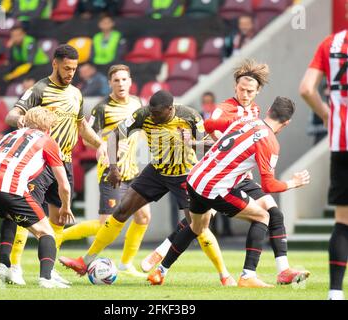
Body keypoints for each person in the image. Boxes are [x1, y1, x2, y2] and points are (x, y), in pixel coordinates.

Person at [144, 59, 310, 285]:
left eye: (250, 90)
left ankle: (160, 269)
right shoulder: (227, 111)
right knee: (261, 215)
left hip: (205, 177)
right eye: (241, 89)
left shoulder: (252, 114)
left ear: (260, 95)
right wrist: (294, 182)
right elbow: (208, 128)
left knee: (201, 224)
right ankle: (248, 275)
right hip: (219, 180)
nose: (245, 94)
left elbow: (226, 134)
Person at [59, 90, 236, 287]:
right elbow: (114, 137)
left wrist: (192, 141)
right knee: (121, 210)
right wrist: (114, 168)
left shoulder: (190, 116)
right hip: (157, 171)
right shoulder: (143, 115)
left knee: (197, 226)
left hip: (185, 174)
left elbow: (210, 146)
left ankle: (224, 275)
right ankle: (85, 262)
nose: (153, 116)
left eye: (158, 113)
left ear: (170, 109)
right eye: (151, 112)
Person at [4, 44, 107, 286]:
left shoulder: (76, 93)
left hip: (64, 160)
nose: (71, 73)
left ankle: (49, 270)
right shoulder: (39, 89)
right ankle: (15, 267)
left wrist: (100, 143)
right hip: (39, 160)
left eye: (74, 68)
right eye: (66, 68)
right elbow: (11, 115)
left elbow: (82, 127)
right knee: (26, 214)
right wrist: (22, 120)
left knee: (59, 218)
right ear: (55, 64)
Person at [61, 64, 151, 277]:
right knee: (106, 224)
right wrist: (104, 146)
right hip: (111, 171)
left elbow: (144, 130)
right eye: (116, 80)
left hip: (133, 171)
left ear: (130, 82)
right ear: (110, 83)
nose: (120, 84)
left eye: (124, 79)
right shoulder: (101, 108)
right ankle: (58, 237)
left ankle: (126, 263)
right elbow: (87, 138)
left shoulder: (138, 103)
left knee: (143, 217)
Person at [0, 107, 75, 288]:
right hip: (10, 190)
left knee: (10, 217)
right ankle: (46, 279)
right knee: (46, 233)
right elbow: (64, 185)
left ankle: (4, 264)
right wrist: (66, 206)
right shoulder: (47, 140)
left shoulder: (8, 136)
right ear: (48, 127)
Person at [299, 28, 348, 300]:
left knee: (342, 222)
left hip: (342, 142)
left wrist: (328, 115)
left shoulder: (331, 43)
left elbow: (306, 88)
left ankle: (335, 292)